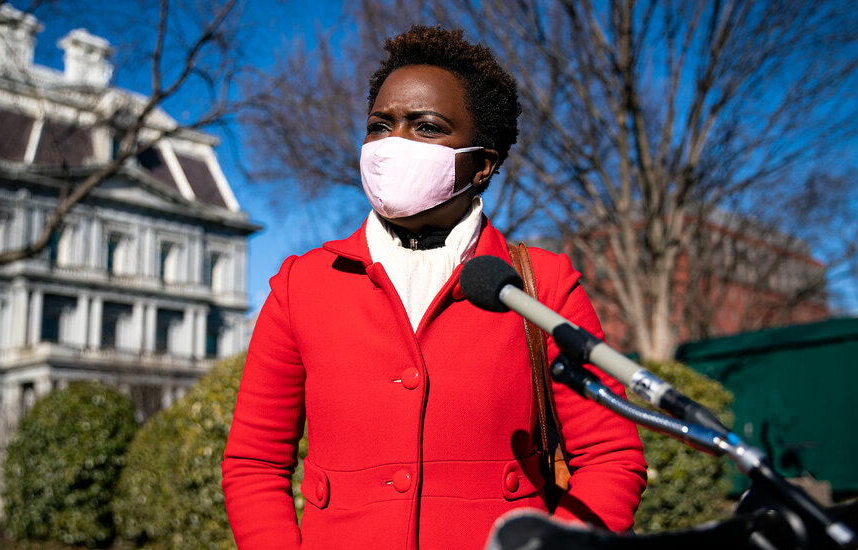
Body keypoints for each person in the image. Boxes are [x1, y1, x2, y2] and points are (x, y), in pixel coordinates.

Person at [221, 25, 646, 550]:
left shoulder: (545, 284)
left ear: (483, 164)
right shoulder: (300, 285)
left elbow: (611, 458)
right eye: (380, 124)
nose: (391, 143)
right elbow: (254, 463)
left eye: (425, 127)